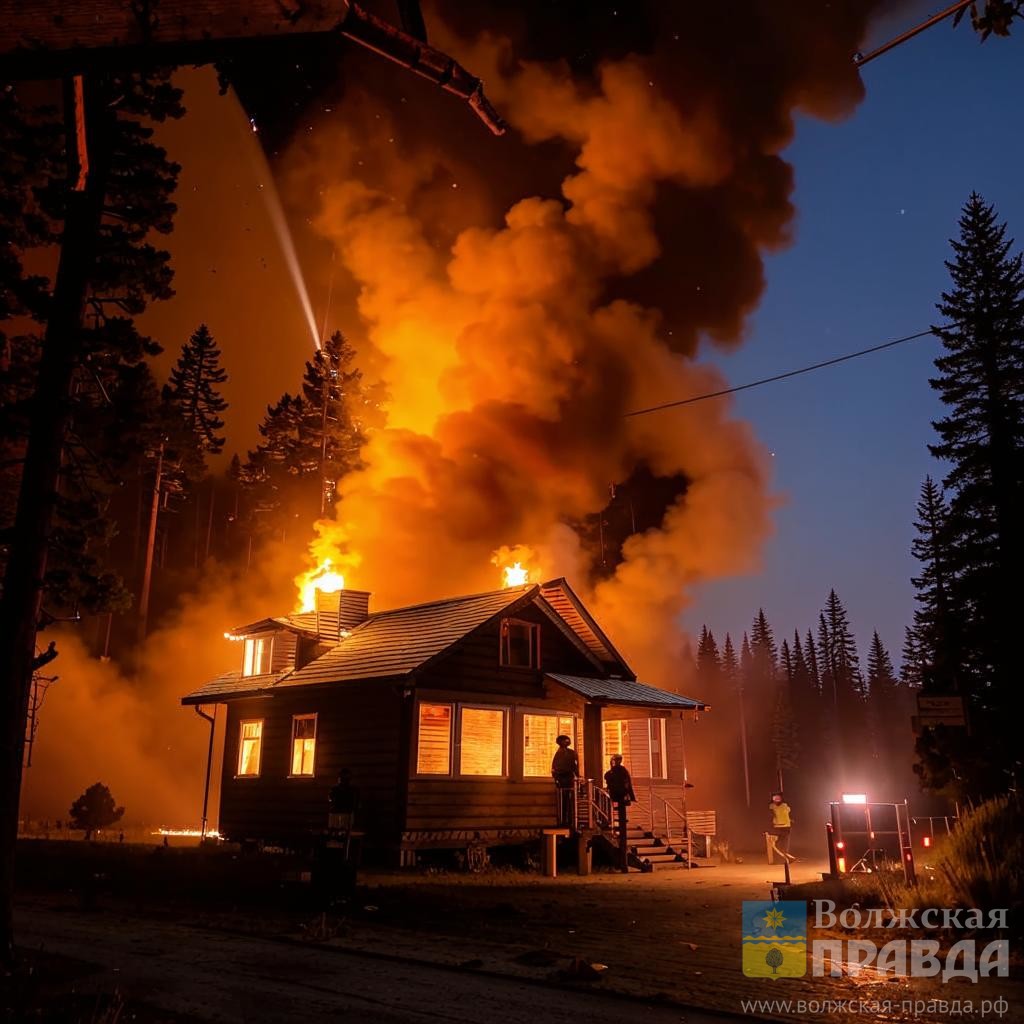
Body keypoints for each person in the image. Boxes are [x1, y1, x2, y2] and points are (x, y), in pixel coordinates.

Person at [604, 754, 635, 872]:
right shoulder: (611, 772)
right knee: (610, 808)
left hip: (620, 796)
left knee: (621, 822)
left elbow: (626, 783)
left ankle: (623, 864)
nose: (614, 762)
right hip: (615, 795)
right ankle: (623, 865)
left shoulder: (621, 771)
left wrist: (628, 794)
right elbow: (608, 778)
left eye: (616, 760)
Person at [551, 735, 579, 825]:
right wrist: (556, 777)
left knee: (569, 800)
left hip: (568, 778)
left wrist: (577, 776)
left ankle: (569, 820)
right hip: (562, 779)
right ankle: (564, 820)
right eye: (565, 741)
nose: (566, 742)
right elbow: (554, 767)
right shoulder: (560, 753)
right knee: (563, 800)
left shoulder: (570, 753)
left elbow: (575, 766)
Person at [768, 791, 796, 863]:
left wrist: (791, 820)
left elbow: (788, 814)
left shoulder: (785, 805)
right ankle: (781, 858)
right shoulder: (771, 806)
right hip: (776, 827)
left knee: (785, 844)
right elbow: (770, 815)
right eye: (775, 798)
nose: (777, 799)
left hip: (786, 827)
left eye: (778, 797)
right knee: (777, 844)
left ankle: (786, 858)